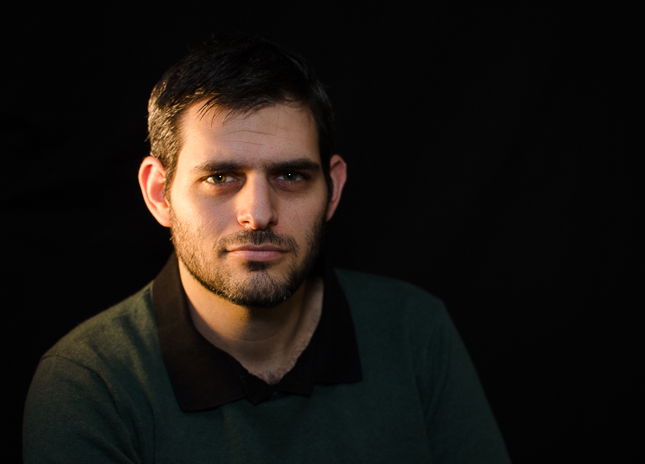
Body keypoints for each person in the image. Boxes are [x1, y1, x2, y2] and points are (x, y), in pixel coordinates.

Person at [23, 33, 511, 463]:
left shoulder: (413, 330)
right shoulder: (88, 382)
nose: (258, 213)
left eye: (291, 176)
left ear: (333, 190)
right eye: (220, 177)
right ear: (159, 193)